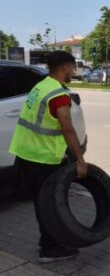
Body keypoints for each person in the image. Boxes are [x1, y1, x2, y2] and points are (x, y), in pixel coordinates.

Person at [9, 50, 88, 263]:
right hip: (43, 158)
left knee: (40, 201)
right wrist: (80, 161)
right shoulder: (58, 95)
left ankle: (46, 241)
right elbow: (68, 129)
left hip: (26, 152)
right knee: (49, 204)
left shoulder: (41, 86)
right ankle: (50, 250)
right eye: (72, 67)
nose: (74, 71)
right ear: (64, 68)